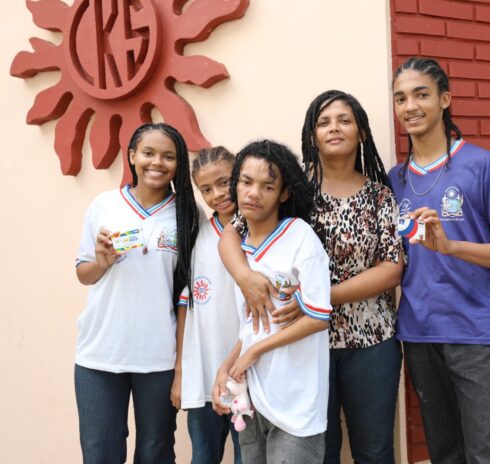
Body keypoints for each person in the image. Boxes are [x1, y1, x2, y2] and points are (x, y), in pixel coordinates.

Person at [218, 90, 404, 463]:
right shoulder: (291, 191)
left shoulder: (379, 196)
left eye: (344, 120)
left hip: (369, 341)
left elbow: (392, 268)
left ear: (361, 133)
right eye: (324, 122)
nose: (334, 128)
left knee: (374, 450)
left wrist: (316, 299)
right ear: (311, 135)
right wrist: (244, 276)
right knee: (318, 451)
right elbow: (231, 234)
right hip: (299, 347)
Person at [388, 57, 490, 464]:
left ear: (445, 99)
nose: (410, 106)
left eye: (421, 94)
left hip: (475, 331)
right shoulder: (395, 179)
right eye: (401, 98)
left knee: (487, 454)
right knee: (445, 453)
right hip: (419, 332)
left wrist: (452, 247)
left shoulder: (480, 164)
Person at [74, 122, 199, 463]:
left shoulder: (188, 215)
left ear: (178, 163)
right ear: (132, 156)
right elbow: (83, 274)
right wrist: (102, 263)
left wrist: (181, 365)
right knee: (100, 452)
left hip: (157, 357)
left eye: (168, 156)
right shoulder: (104, 204)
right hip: (100, 353)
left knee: (155, 452)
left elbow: (187, 295)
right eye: (148, 153)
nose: (157, 162)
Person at [212, 140, 332, 464]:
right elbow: (253, 327)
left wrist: (255, 352)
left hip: (295, 403)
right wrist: (227, 367)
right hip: (251, 399)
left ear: (283, 193)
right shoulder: (240, 249)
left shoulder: (299, 236)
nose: (254, 193)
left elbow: (318, 317)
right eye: (246, 182)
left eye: (267, 186)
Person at [170, 146, 242, 463]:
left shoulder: (260, 228)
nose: (217, 194)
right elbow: (187, 305)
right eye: (206, 189)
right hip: (203, 370)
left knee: (249, 456)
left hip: (246, 371)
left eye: (224, 182)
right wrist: (181, 371)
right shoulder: (197, 234)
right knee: (203, 455)